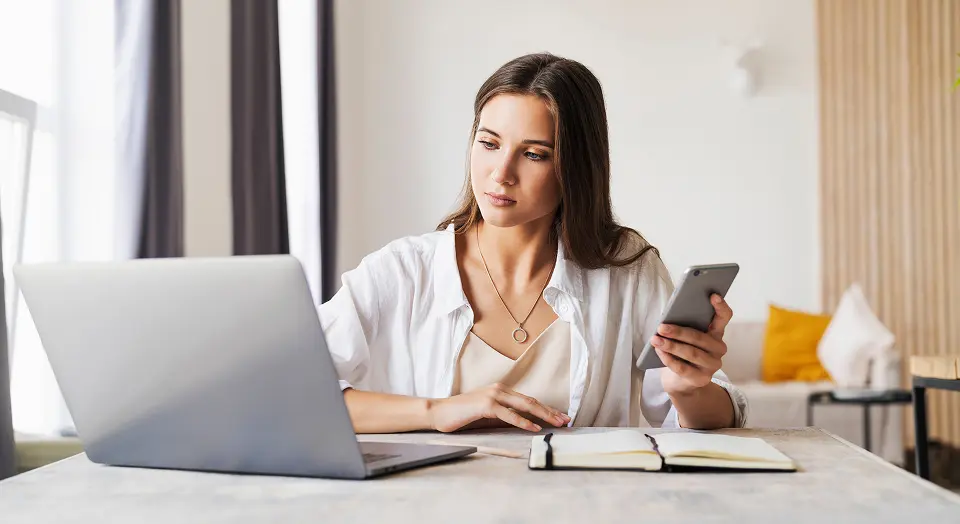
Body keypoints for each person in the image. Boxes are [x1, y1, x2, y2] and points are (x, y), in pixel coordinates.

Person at [319, 52, 748, 434]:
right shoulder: (402, 271)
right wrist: (434, 411)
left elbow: (712, 417)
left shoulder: (626, 269)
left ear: (576, 168)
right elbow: (292, 394)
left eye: (534, 154)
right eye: (488, 143)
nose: (500, 172)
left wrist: (687, 389)